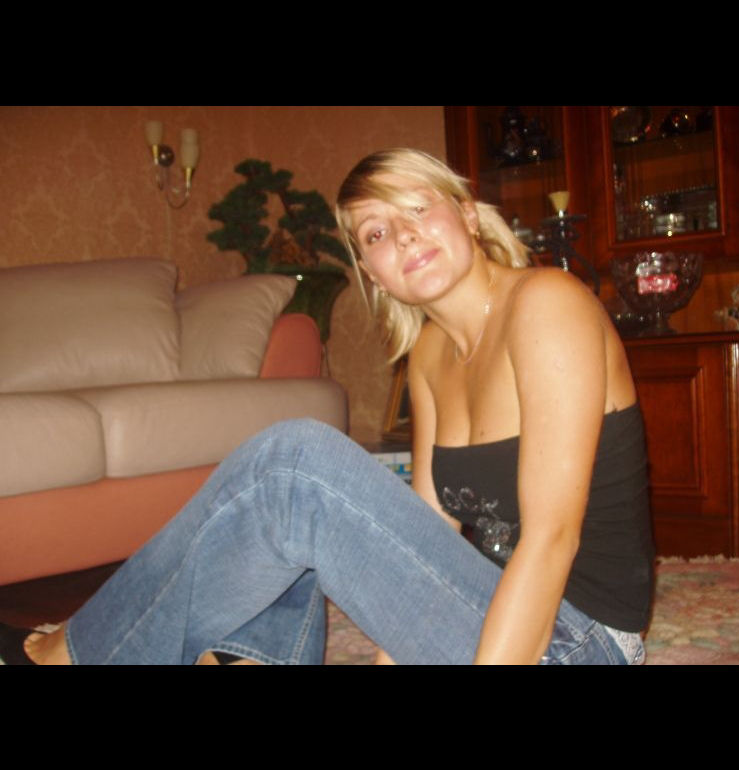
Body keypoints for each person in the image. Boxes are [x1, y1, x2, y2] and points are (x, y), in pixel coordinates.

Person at [6, 148, 654, 665]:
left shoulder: (547, 303)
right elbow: (422, 538)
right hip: (484, 610)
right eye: (377, 233)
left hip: (576, 642)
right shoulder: (429, 354)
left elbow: (551, 540)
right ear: (372, 272)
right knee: (277, 522)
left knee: (294, 466)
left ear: (468, 214)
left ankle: (75, 654)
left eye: (418, 208)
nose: (404, 236)